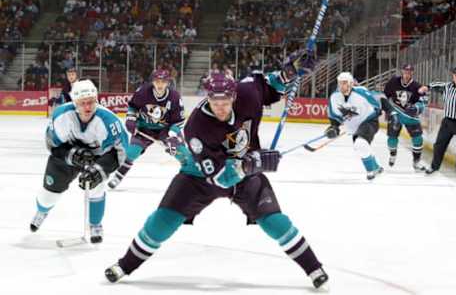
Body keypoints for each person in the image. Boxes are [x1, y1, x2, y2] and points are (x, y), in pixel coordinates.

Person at [104, 51, 330, 291]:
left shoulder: (249, 92)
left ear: (234, 95)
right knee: (162, 222)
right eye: (215, 102)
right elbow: (219, 178)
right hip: (200, 177)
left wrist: (291, 72)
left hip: (247, 172)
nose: (221, 108)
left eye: (225, 101)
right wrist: (251, 164)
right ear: (207, 97)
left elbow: (270, 84)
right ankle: (125, 265)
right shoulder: (196, 128)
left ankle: (314, 268)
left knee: (275, 221)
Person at [29, 80, 129, 243]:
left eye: (90, 102)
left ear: (96, 100)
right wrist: (71, 154)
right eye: (82, 103)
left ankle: (96, 224)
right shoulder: (61, 115)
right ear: (75, 103)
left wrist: (100, 169)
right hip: (66, 157)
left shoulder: (110, 121)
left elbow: (121, 153)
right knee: (48, 195)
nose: (87, 107)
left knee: (97, 187)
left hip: (97, 157)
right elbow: (51, 144)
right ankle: (42, 211)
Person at [107, 68, 185, 190]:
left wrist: (173, 135)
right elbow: (133, 107)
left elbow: (179, 120)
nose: (160, 84)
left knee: (182, 153)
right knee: (131, 152)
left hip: (166, 130)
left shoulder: (174, 97)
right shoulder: (143, 92)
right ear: (153, 82)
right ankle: (118, 176)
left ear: (168, 83)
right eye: (157, 81)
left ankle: (192, 179)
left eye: (163, 82)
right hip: (144, 129)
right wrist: (131, 119)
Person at [326, 72, 391, 180]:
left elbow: (378, 101)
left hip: (369, 121)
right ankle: (377, 167)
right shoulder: (334, 97)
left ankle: (371, 171)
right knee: (360, 147)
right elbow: (334, 116)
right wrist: (334, 127)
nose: (342, 86)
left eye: (345, 83)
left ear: (351, 84)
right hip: (355, 127)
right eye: (340, 83)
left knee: (360, 144)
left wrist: (383, 111)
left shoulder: (361, 92)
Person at [383, 64, 429, 171]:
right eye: (405, 71)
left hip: (410, 116)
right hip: (396, 113)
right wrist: (388, 110)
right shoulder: (393, 81)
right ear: (402, 71)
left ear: (412, 72)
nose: (407, 74)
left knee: (418, 138)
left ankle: (416, 162)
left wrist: (416, 108)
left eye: (409, 72)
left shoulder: (417, 86)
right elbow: (384, 96)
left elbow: (423, 102)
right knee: (392, 138)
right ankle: (393, 154)